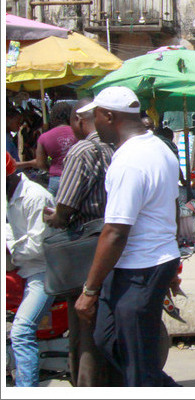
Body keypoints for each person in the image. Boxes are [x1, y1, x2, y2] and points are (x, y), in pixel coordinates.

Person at [73, 86, 181, 387]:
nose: (95, 124)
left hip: (141, 269)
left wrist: (90, 290)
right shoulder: (160, 147)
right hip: (145, 263)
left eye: (96, 117)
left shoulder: (129, 161)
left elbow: (116, 232)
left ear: (109, 116)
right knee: (107, 338)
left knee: (137, 364)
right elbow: (171, 204)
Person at [42, 98, 117, 387]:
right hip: (116, 248)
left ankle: (87, 386)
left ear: (78, 119)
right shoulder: (117, 148)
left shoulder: (83, 150)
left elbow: (66, 210)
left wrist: (53, 217)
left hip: (86, 251)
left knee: (85, 332)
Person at [6, 152, 56, 387]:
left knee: (21, 331)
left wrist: (9, 251)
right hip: (23, 268)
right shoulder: (10, 197)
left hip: (42, 271)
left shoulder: (35, 197)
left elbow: (37, 247)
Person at [16, 101, 77, 195]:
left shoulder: (44, 137)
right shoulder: (78, 132)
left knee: (53, 208)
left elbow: (40, 163)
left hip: (56, 179)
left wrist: (51, 168)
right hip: (77, 177)